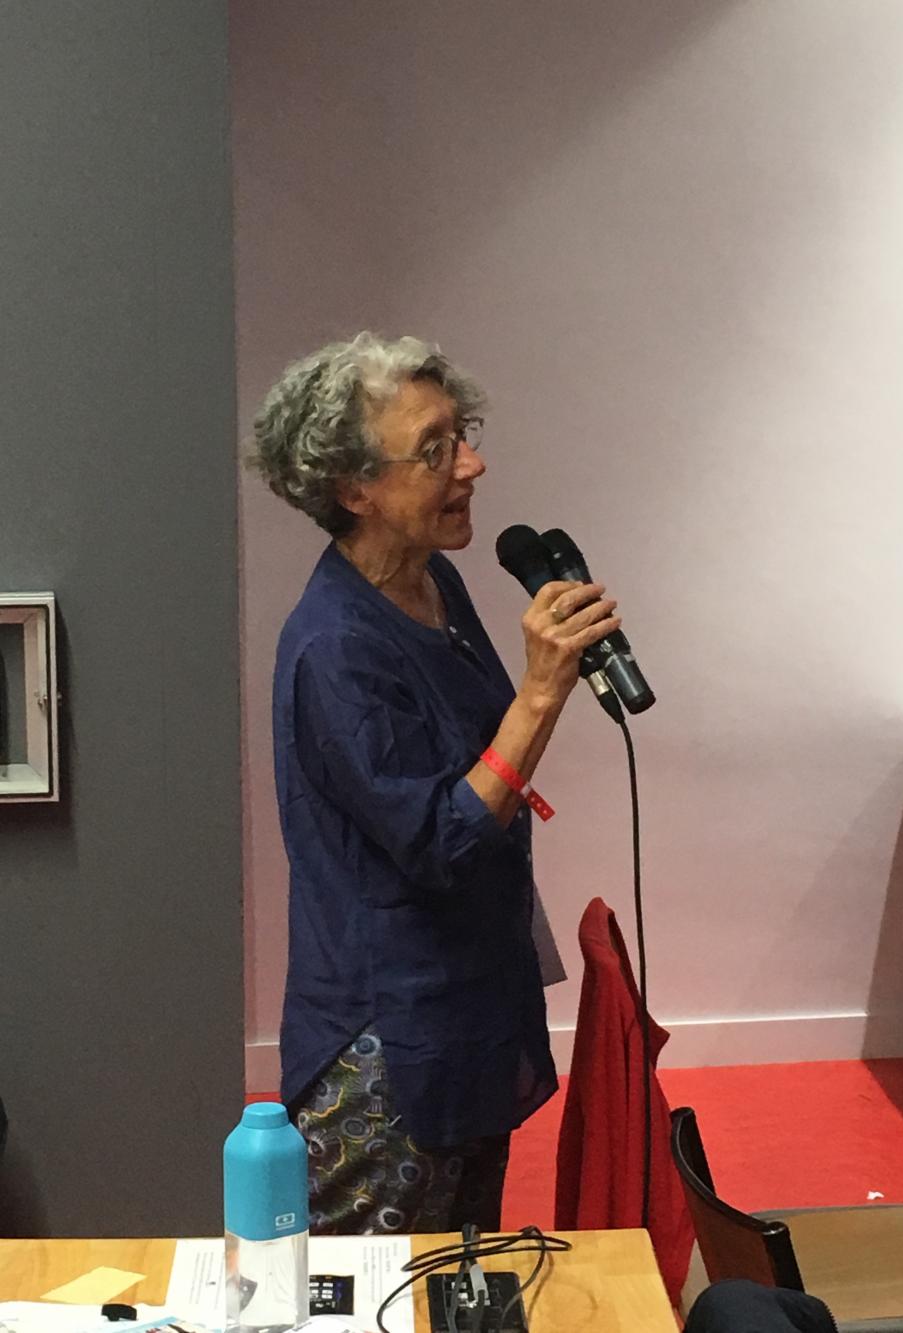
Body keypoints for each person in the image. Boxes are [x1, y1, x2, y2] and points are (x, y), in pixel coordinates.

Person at [251, 332, 621, 1235]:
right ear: (354, 488)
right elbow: (441, 839)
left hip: (468, 1004)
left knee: (461, 1276)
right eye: (434, 450)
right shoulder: (336, 646)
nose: (471, 464)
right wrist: (541, 691)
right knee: (379, 1291)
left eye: (463, 435)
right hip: (390, 1051)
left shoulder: (434, 581)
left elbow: (472, 763)